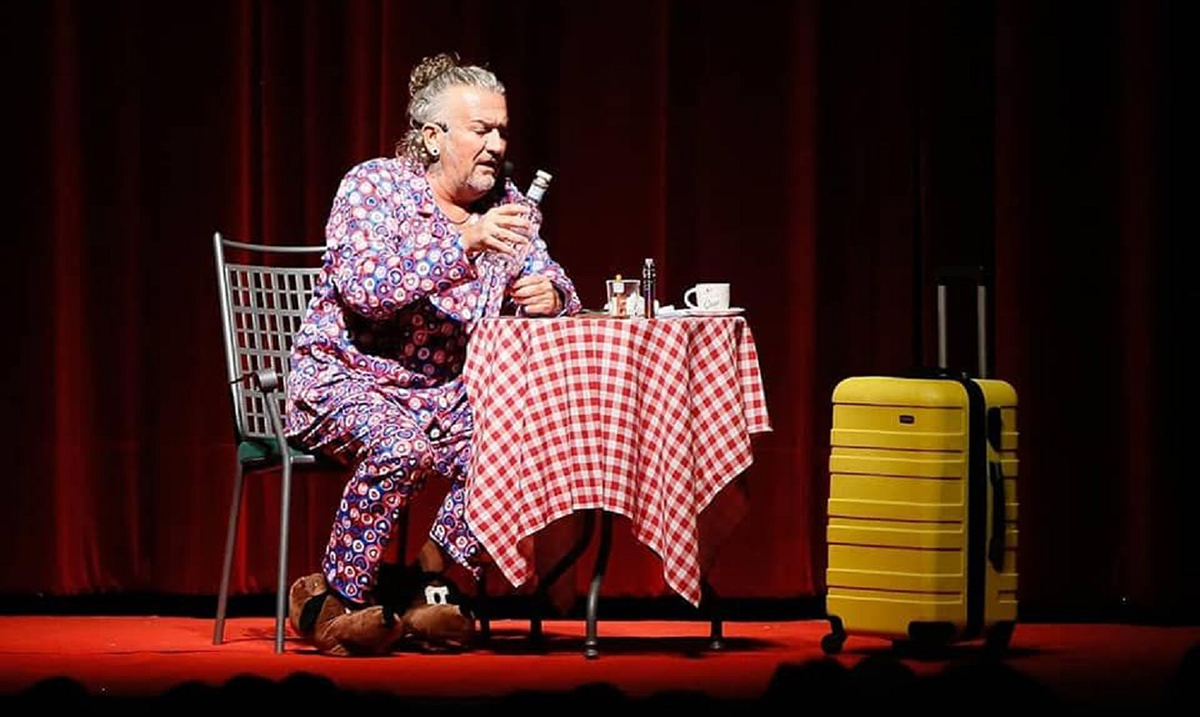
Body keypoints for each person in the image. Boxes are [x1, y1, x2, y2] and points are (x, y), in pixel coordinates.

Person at [284, 52, 582, 611]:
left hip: (447, 396)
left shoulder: (508, 206)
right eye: (481, 130)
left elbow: (554, 278)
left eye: (502, 132)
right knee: (401, 446)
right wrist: (464, 242)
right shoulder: (375, 187)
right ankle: (340, 600)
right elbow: (366, 291)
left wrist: (554, 296)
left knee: (524, 445)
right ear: (432, 137)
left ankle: (430, 572)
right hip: (348, 382)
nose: (496, 145)